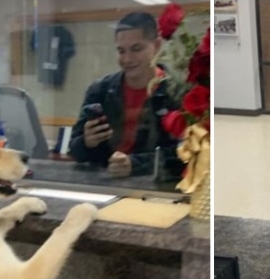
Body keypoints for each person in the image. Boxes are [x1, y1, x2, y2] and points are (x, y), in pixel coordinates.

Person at [69, 12, 185, 179]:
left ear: (157, 46)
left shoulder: (178, 92)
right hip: (103, 185)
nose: (127, 59)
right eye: (121, 51)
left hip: (156, 191)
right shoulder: (99, 90)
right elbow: (75, 151)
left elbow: (186, 155)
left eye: (136, 49)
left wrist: (135, 164)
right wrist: (87, 142)